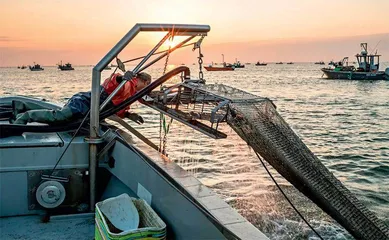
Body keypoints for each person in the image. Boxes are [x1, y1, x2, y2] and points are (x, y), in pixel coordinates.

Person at [11, 71, 152, 125]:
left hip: (89, 109)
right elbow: (112, 82)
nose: (146, 88)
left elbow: (119, 108)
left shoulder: (131, 94)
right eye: (147, 85)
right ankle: (25, 116)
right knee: (59, 117)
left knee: (61, 117)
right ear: (143, 81)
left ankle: (22, 105)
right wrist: (121, 77)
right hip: (83, 102)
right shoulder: (127, 85)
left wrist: (128, 114)